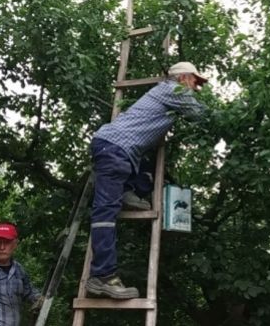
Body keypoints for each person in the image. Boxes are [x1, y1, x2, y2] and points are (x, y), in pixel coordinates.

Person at [86, 61, 209, 299]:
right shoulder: (174, 90)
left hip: (121, 151)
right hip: (115, 150)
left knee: (147, 166)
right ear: (183, 78)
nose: (196, 87)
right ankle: (102, 276)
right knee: (105, 214)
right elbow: (201, 115)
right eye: (195, 81)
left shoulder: (165, 93)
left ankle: (127, 191)